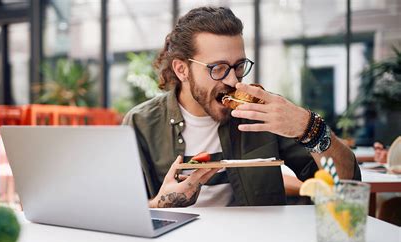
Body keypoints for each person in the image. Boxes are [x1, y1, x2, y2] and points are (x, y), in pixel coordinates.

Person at [123, 6, 361, 208]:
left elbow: (344, 186)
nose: (233, 81)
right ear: (181, 69)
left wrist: (310, 127)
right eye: (217, 68)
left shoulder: (265, 111)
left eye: (238, 66)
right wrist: (159, 204)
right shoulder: (140, 123)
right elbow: (120, 212)